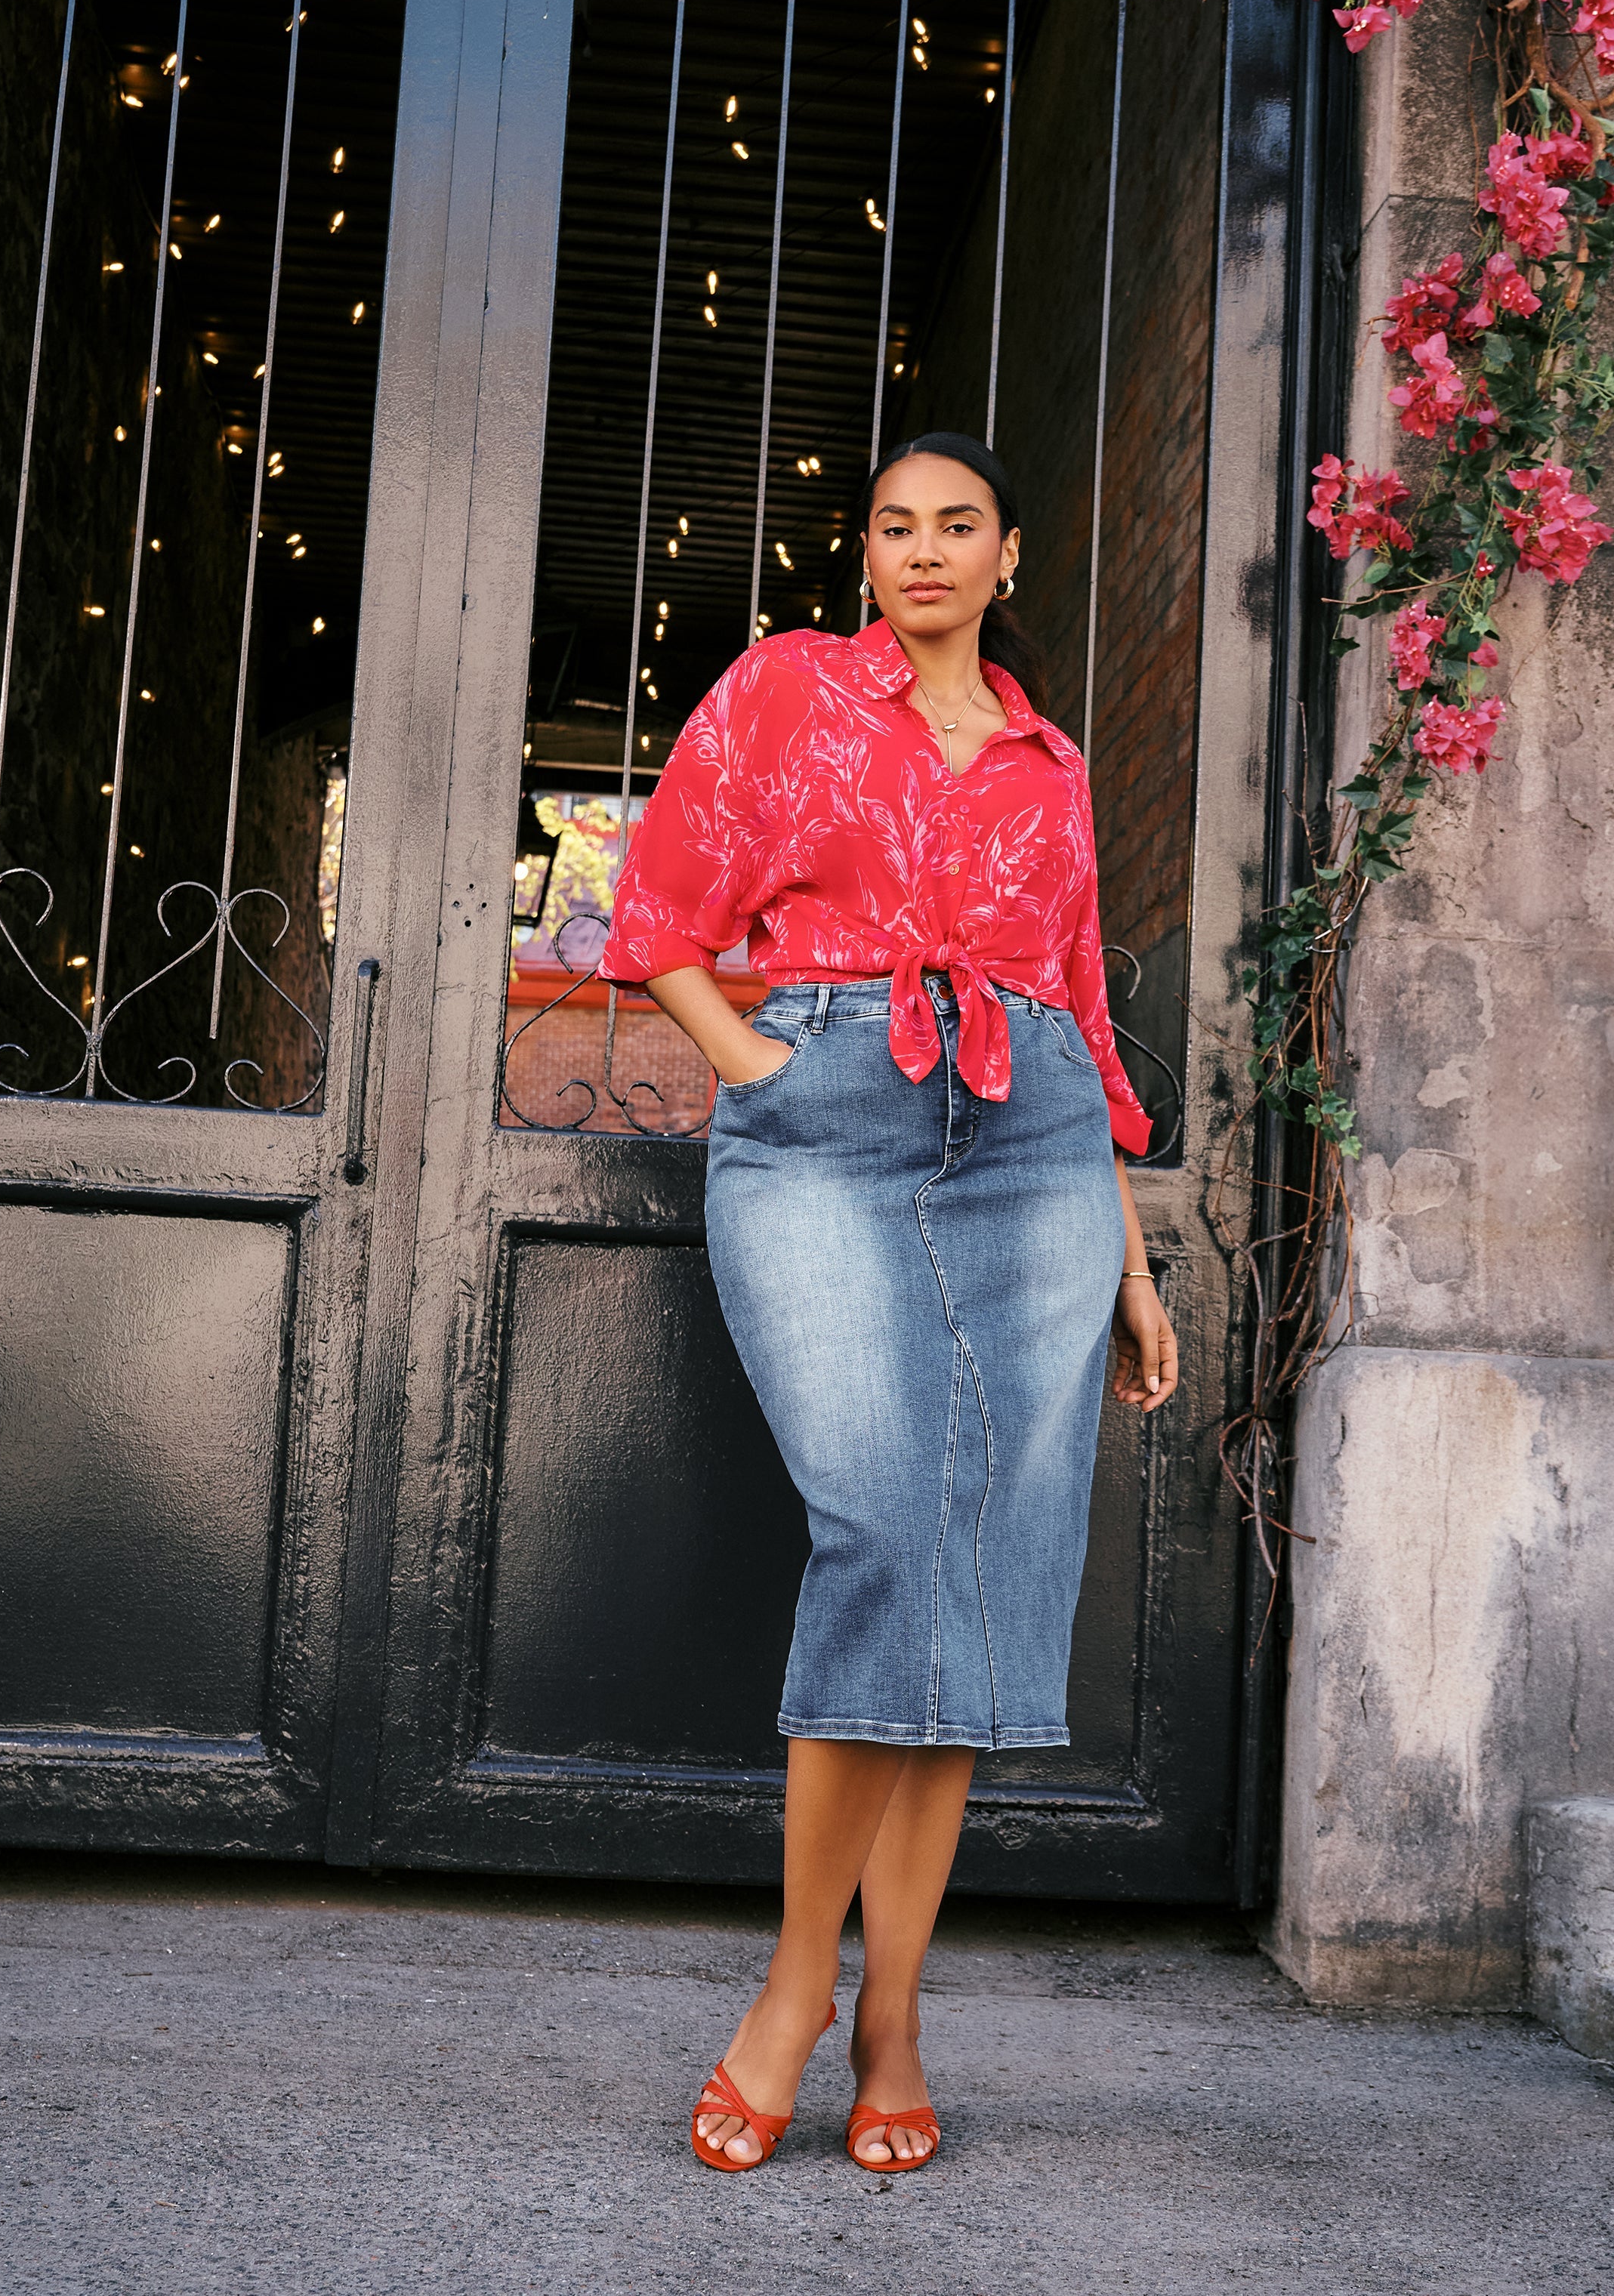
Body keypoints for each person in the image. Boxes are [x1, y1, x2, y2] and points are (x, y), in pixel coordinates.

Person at [597, 429, 1178, 2174]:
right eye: (893, 525)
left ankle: (898, 2012)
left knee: (982, 1564)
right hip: (823, 1124)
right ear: (865, 553)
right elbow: (662, 904)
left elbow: (1075, 1003)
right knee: (877, 1521)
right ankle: (795, 1982)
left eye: (959, 527)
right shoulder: (785, 690)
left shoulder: (1052, 764)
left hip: (1034, 1155)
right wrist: (758, 1063)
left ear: (1010, 558)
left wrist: (1132, 1267)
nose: (922, 551)